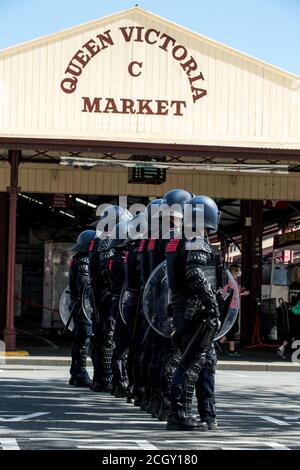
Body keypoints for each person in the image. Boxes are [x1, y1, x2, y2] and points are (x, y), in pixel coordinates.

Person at [165, 194, 221, 431]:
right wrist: (213, 304)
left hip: (182, 310)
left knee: (206, 362)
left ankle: (207, 414)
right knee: (192, 363)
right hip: (195, 311)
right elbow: (195, 275)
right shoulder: (196, 239)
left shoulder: (176, 240)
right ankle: (179, 414)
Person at [68, 230, 95, 387]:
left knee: (80, 339)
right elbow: (85, 286)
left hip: (80, 306)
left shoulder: (77, 259)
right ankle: (80, 373)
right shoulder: (84, 260)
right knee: (83, 339)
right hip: (84, 307)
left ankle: (76, 372)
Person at [218, 263, 249, 355]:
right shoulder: (232, 283)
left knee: (233, 327)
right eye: (239, 270)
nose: (240, 272)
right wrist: (243, 294)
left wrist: (240, 290)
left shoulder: (231, 282)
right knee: (233, 327)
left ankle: (222, 342)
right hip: (232, 308)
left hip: (232, 307)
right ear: (235, 271)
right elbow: (233, 295)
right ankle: (228, 347)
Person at [277, 265, 300, 358]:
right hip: (299, 310)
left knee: (292, 330)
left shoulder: (291, 285)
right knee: (297, 331)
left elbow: (291, 299)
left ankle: (283, 346)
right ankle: (297, 352)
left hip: (292, 310)